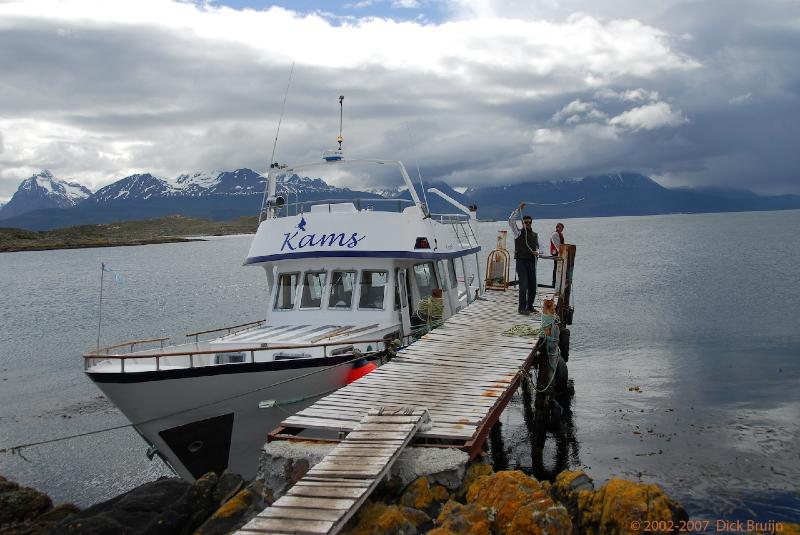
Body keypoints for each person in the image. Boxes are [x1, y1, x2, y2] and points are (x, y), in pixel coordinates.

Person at [509, 202, 539, 314]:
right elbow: (511, 221)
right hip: (521, 262)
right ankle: (521, 308)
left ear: (531, 223)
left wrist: (538, 252)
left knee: (532, 285)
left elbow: (542, 248)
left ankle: (530, 306)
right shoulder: (518, 233)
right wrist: (518, 210)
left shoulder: (535, 235)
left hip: (531, 262)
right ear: (522, 223)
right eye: (525, 222)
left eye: (528, 222)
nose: (527, 224)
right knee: (524, 285)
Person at [550, 222, 565, 288]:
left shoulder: (560, 234)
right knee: (556, 267)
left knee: (558, 267)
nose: (561, 229)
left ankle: (557, 281)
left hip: (559, 252)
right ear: (557, 227)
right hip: (556, 252)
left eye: (562, 228)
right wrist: (561, 253)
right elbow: (557, 245)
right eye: (560, 227)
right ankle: (554, 282)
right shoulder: (555, 234)